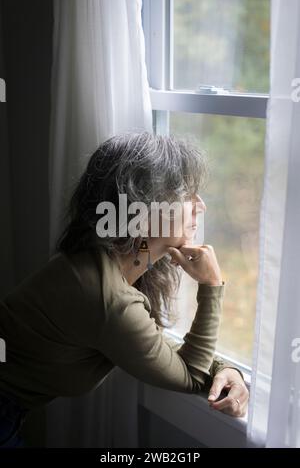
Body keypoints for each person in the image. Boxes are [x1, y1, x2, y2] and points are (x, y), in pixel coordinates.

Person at [0, 132, 249, 447]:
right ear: (144, 213)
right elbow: (190, 375)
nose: (201, 205)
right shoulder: (107, 298)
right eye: (188, 194)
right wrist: (211, 285)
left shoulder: (102, 260)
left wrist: (227, 368)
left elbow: (151, 344)